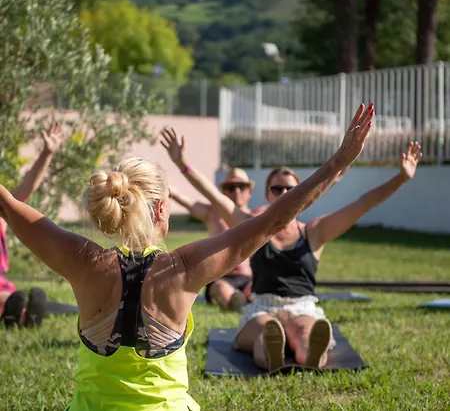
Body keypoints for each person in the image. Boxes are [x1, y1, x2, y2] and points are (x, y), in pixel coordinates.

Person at [0, 105, 371, 410]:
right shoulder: (181, 270)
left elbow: (11, 207)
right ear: (161, 209)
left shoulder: (83, 263)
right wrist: (338, 161)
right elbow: (274, 221)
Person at [160, 104, 423, 372]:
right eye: (277, 188)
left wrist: (401, 178)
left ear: (301, 193)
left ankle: (308, 350)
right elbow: (215, 197)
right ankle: (271, 349)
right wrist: (182, 164)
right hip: (262, 307)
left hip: (303, 307)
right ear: (267, 194)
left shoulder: (315, 231)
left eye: (290, 188)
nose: (284, 193)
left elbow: (363, 204)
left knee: (306, 334)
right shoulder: (254, 227)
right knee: (265, 332)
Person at [165, 156, 263, 311]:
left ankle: (246, 303)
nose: (237, 191)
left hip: (248, 278)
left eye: (241, 186)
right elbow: (184, 199)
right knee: (222, 290)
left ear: (249, 191)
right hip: (220, 278)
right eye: (231, 187)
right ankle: (240, 305)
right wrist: (161, 183)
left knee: (255, 290)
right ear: (224, 191)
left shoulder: (257, 217)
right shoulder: (212, 214)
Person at [0, 123, 64, 328]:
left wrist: (47, 153)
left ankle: (18, 312)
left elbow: (26, 189)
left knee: (14, 297)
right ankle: (14, 313)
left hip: (6, 290)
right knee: (8, 298)